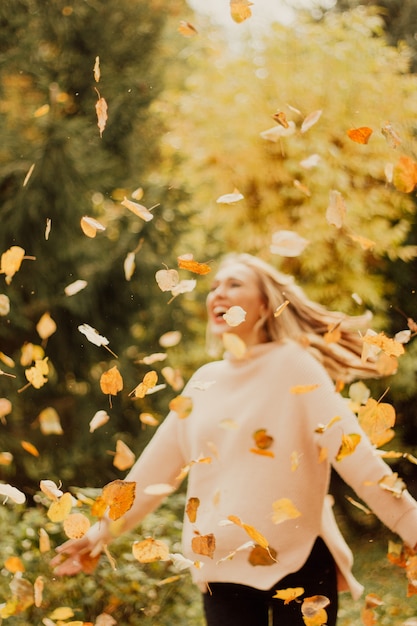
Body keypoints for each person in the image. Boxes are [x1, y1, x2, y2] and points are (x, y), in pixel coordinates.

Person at [51, 252, 417, 626]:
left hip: (299, 558)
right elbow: (149, 479)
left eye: (234, 284)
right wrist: (99, 534)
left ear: (264, 304)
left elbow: (355, 456)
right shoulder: (203, 381)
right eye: (214, 287)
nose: (218, 294)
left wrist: (411, 523)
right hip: (219, 568)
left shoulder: (295, 366)